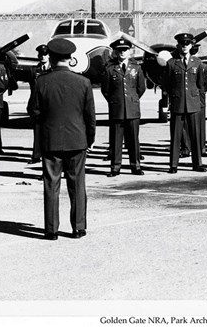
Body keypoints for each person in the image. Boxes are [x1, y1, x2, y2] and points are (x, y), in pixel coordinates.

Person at [27, 38, 96, 240]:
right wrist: (89, 139)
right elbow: (90, 116)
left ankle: (51, 229)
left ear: (52, 57)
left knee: (51, 185)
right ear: (70, 58)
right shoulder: (83, 82)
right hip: (77, 140)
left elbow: (33, 110)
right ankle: (79, 227)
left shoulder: (41, 81)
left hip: (51, 140)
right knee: (77, 185)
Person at [162, 32, 207, 173]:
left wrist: (197, 101)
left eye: (187, 44)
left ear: (191, 45)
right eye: (182, 44)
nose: (185, 46)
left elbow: (202, 85)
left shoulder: (197, 63)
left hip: (193, 103)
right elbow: (167, 85)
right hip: (177, 103)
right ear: (178, 46)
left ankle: (197, 163)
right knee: (175, 136)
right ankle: (173, 165)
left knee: (195, 135)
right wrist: (173, 98)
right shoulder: (171, 64)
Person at [100, 38, 146, 176]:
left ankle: (135, 165)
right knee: (115, 141)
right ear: (115, 51)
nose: (122, 52)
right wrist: (115, 101)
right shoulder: (109, 69)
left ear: (129, 51)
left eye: (125, 50)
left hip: (132, 109)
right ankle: (115, 167)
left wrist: (132, 100)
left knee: (133, 140)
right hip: (117, 109)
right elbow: (105, 90)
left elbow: (141, 88)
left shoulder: (136, 68)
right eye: (119, 50)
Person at [28, 44, 51, 165]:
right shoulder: (33, 70)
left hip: (49, 104)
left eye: (45, 54)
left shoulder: (52, 70)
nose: (43, 57)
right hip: (36, 104)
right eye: (41, 55)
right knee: (37, 130)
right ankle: (36, 155)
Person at [190, 43, 207, 158]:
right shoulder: (202, 65)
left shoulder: (202, 66)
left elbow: (205, 84)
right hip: (194, 97)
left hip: (198, 98)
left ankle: (194, 149)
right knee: (195, 124)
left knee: (198, 124)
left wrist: (200, 93)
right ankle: (195, 148)